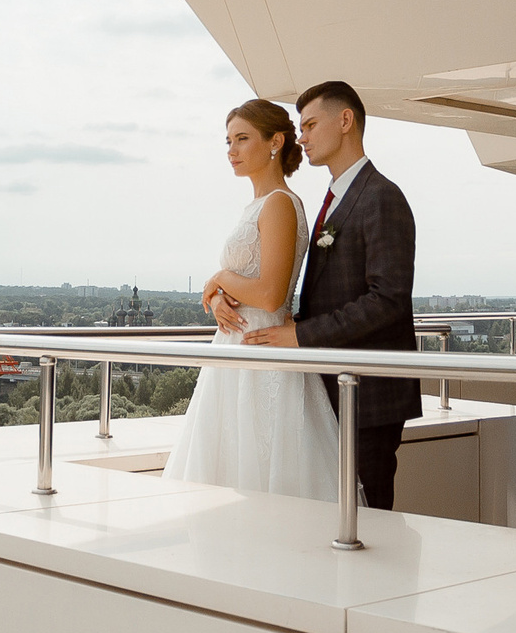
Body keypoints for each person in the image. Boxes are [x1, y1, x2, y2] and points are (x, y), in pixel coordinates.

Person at [237, 81, 419, 509]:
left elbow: (388, 299)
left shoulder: (382, 197)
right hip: (331, 384)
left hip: (369, 392)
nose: (302, 137)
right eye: (300, 127)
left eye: (311, 124)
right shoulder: (335, 197)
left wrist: (302, 334)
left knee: (368, 518)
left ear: (345, 120)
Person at [163, 100, 341, 499]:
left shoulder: (280, 202)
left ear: (275, 141)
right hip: (236, 352)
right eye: (228, 141)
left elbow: (270, 293)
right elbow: (251, 283)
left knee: (264, 464)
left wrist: (219, 278)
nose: (232, 150)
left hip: (263, 351)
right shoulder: (258, 204)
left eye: (242, 139)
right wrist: (220, 297)